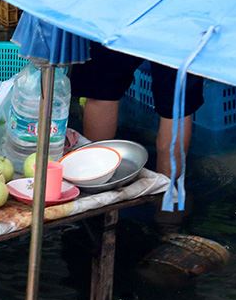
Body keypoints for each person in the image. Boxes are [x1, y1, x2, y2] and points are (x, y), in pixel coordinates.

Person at [70, 45, 205, 195]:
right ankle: (168, 197)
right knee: (176, 105)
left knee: (102, 87)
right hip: (181, 28)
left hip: (120, 23)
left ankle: (94, 181)